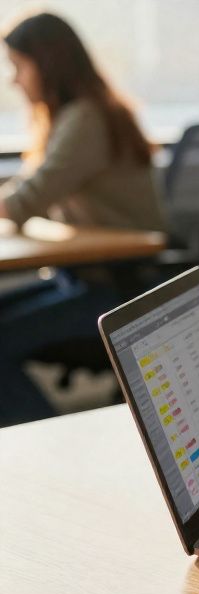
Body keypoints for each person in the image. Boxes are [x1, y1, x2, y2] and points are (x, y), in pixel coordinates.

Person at [0, 11, 164, 425]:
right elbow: (27, 190)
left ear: (48, 63)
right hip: (87, 277)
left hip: (121, 290)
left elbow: (25, 201)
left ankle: (42, 447)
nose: (14, 80)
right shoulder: (74, 116)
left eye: (19, 66)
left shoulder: (86, 119)